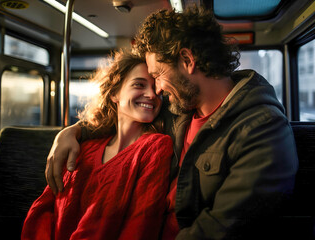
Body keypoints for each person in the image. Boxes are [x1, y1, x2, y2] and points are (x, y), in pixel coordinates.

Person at [45, 5, 299, 240]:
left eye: (157, 75)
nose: (156, 90)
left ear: (187, 61)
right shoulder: (180, 106)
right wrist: (72, 132)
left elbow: (222, 229)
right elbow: (123, 117)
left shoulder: (264, 131)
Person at [22, 51, 173, 240]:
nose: (152, 95)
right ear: (114, 93)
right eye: (139, 85)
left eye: (157, 90)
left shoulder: (155, 146)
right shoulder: (82, 148)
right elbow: (45, 211)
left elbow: (141, 226)